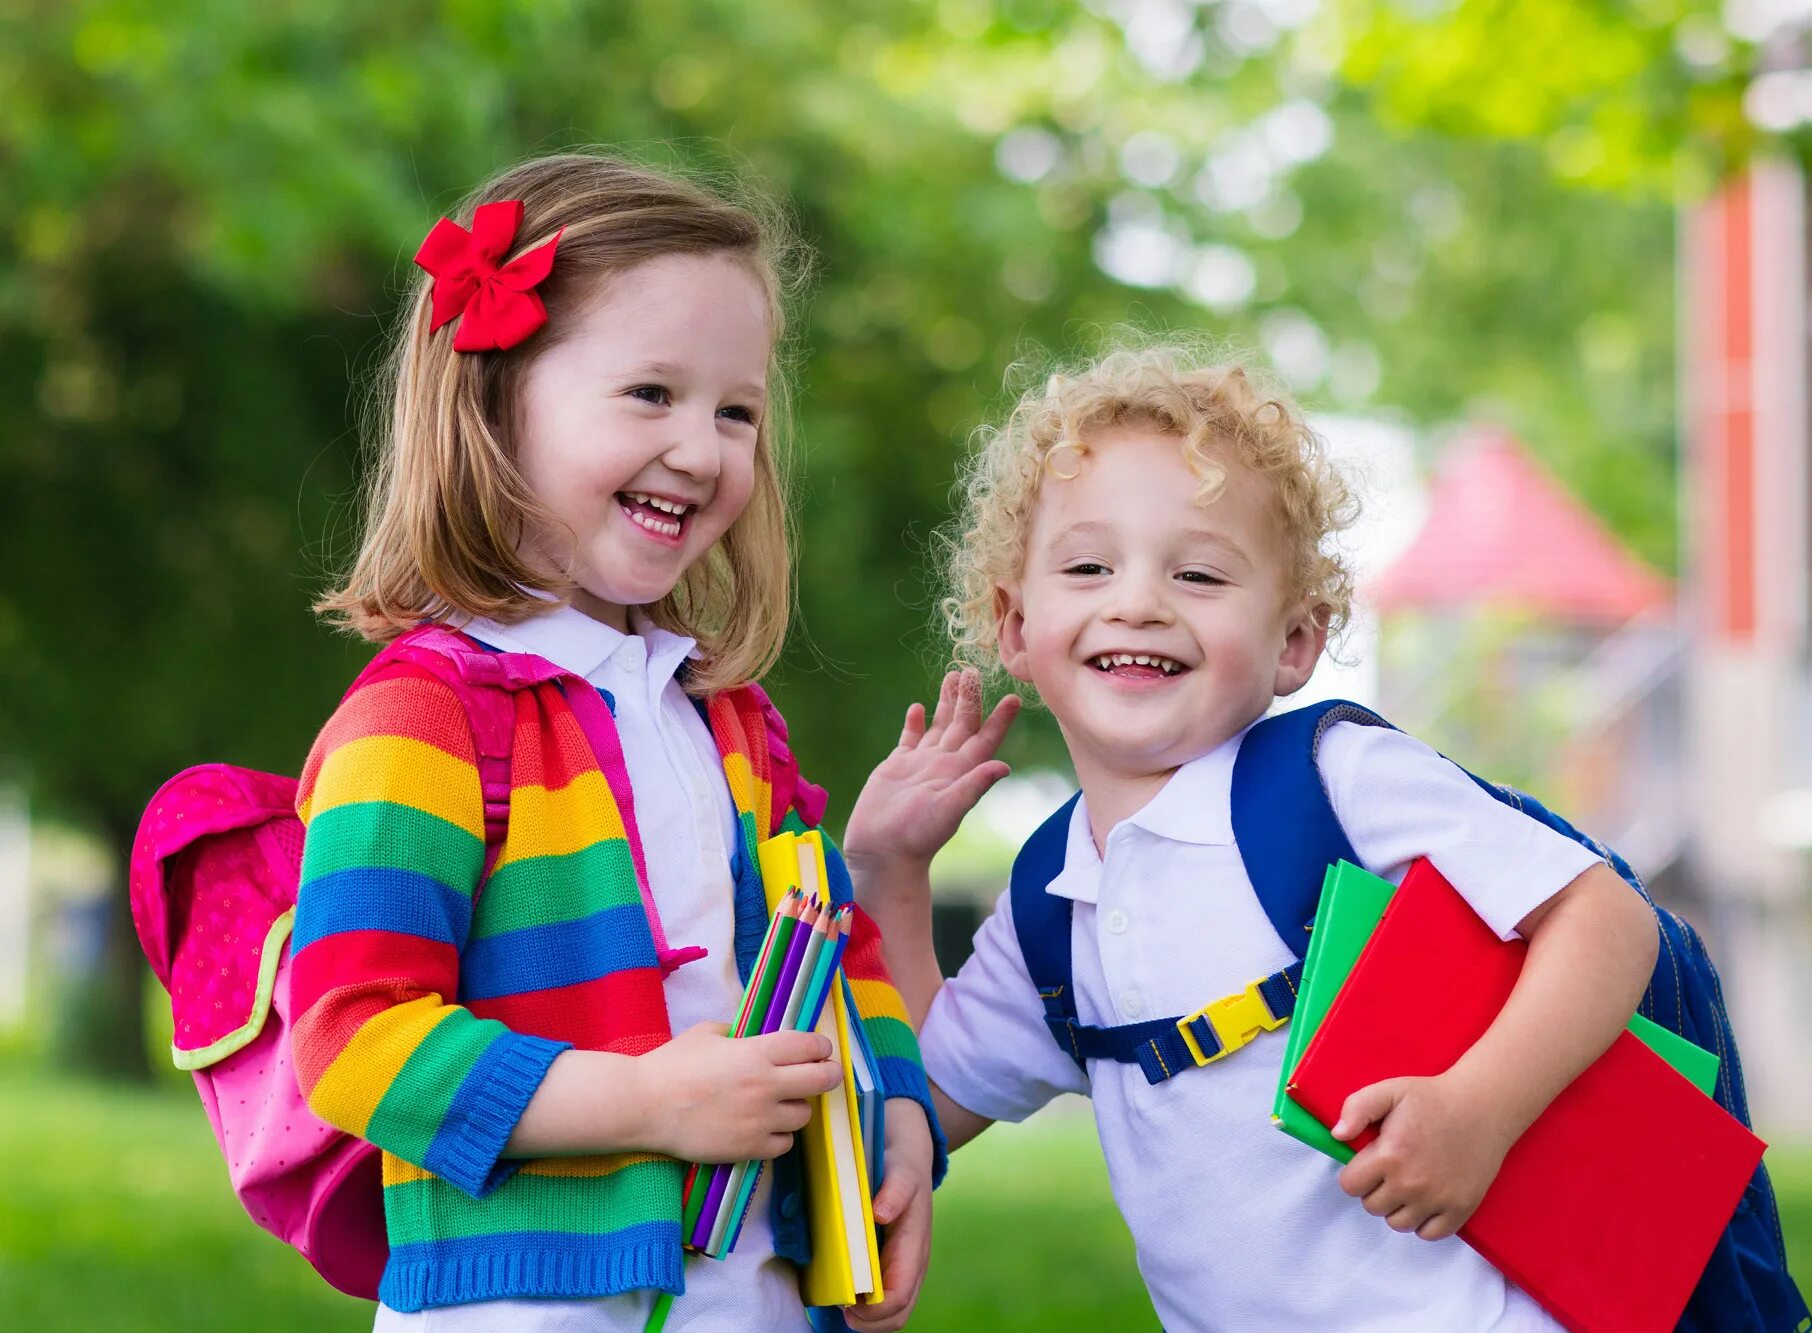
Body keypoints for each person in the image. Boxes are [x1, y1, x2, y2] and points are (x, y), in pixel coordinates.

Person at [293, 152, 990, 1332]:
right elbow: (353, 1035)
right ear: (495, 397)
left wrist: (905, 1123)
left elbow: (839, 948)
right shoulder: (424, 716)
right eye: (651, 394)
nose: (705, 449)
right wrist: (643, 1101)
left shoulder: (729, 723)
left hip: (759, 1293)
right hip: (526, 1305)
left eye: (737, 410)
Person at [846, 345, 1663, 1331]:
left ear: (1294, 642)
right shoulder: (1052, 907)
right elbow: (919, 1102)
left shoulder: (1336, 781)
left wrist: (1477, 1109)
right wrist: (890, 875)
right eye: (1087, 565)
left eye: (1196, 573)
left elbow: (1605, 918)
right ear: (1015, 623)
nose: (1137, 600)